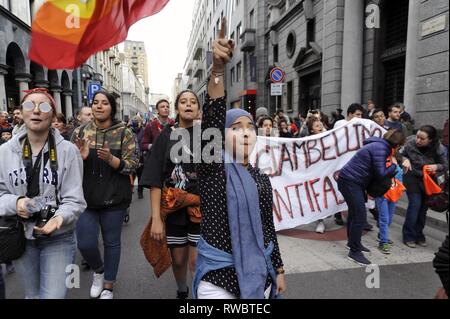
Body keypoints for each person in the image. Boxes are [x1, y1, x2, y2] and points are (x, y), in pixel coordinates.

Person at [193, 19, 286, 299]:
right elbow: (212, 119)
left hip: (261, 273)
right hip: (219, 278)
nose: (246, 133)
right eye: (236, 128)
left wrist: (279, 269)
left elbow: (267, 225)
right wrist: (218, 70)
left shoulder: (261, 177)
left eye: (250, 128)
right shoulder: (212, 170)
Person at [0, 88, 86, 298]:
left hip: (59, 237)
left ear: (53, 115)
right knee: (32, 295)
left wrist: (59, 219)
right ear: (20, 112)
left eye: (44, 106)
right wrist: (17, 203)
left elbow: (75, 200)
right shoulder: (4, 152)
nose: (36, 111)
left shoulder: (68, 151)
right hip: (20, 235)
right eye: (30, 105)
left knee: (54, 295)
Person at [72, 90, 138, 299]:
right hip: (86, 198)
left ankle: (108, 285)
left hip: (114, 197)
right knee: (85, 243)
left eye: (104, 103)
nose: (99, 106)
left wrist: (112, 160)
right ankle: (99, 271)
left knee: (112, 242)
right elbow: (68, 167)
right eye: (95, 103)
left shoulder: (123, 132)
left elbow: (133, 164)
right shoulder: (80, 133)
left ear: (112, 108)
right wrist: (80, 158)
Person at [141, 90, 201, 299]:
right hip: (173, 209)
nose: (188, 105)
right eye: (183, 101)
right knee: (178, 259)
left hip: (200, 211)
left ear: (198, 108)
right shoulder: (165, 136)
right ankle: (182, 289)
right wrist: (156, 218)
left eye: (193, 102)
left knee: (195, 262)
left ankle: (199, 296)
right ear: (177, 108)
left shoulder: (208, 135)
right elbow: (155, 178)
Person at [337, 129, 406, 265]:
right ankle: (354, 252)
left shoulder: (380, 146)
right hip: (351, 182)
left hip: (353, 181)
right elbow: (381, 173)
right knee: (360, 217)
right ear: (397, 145)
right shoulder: (381, 149)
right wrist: (393, 166)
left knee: (354, 214)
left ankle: (353, 243)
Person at [401, 125, 448, 248]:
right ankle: (408, 235)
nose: (418, 140)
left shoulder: (439, 148)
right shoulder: (410, 143)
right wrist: (404, 159)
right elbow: (398, 153)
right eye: (417, 137)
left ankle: (419, 234)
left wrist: (436, 167)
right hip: (412, 177)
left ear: (430, 140)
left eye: (422, 139)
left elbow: (445, 165)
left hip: (429, 181)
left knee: (423, 208)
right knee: (415, 205)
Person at [306, 118, 328, 233]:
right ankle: (320, 221)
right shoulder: (307, 141)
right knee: (318, 197)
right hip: (315, 174)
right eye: (317, 126)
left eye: (321, 125)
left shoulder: (328, 138)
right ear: (311, 130)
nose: (320, 127)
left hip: (327, 173)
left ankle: (331, 214)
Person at [130, 116, 145, 199]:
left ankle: (140, 191)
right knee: (131, 174)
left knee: (140, 175)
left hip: (141, 157)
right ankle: (130, 189)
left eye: (138, 121)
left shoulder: (144, 131)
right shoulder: (129, 130)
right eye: (135, 120)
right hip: (131, 156)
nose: (136, 122)